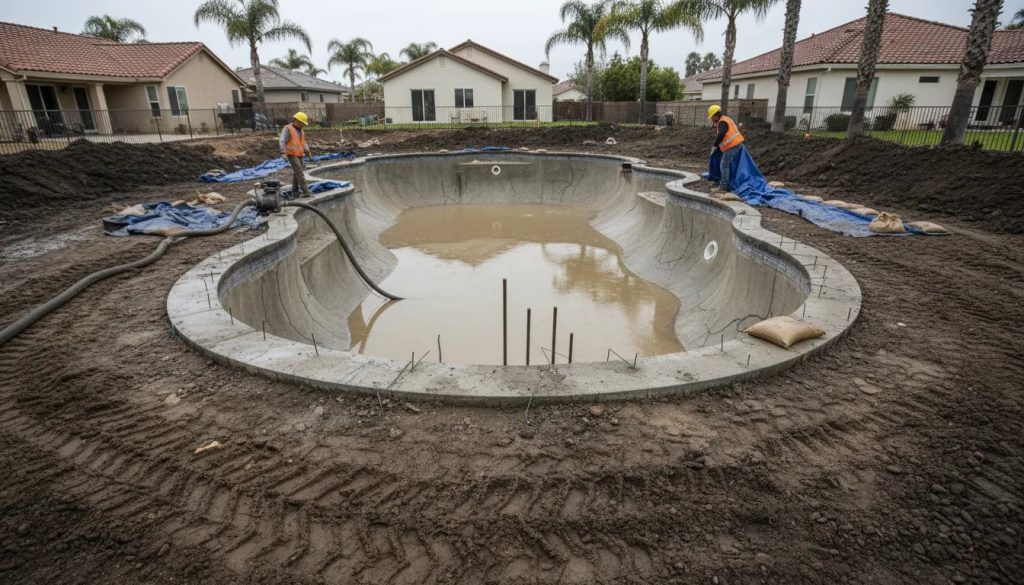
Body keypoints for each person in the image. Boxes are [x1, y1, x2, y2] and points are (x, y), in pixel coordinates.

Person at [707, 104, 744, 194]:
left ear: (716, 115)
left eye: (712, 117)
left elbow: (722, 134)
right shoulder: (726, 119)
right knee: (725, 164)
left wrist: (715, 145)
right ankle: (724, 183)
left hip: (733, 145)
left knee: (724, 164)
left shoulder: (722, 122)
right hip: (736, 144)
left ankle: (723, 187)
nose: (712, 119)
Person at [280, 112, 312, 198]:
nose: (303, 125)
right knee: (300, 172)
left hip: (299, 154)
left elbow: (303, 142)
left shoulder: (300, 130)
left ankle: (295, 190)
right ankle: (306, 192)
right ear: (297, 121)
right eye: (302, 123)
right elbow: (282, 141)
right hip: (291, 154)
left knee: (297, 173)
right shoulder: (288, 129)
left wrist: (307, 150)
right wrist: (283, 153)